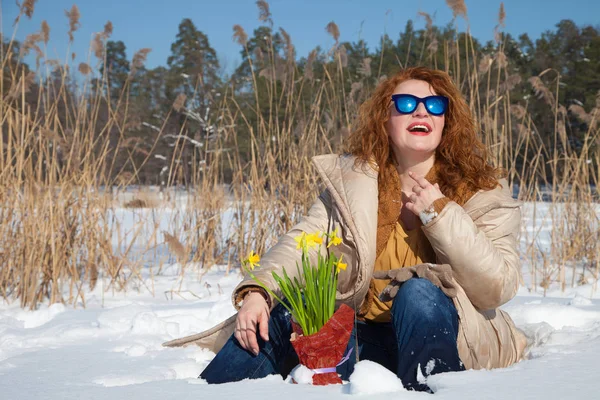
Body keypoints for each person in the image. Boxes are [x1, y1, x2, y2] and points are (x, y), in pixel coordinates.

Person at [183, 67, 527, 391]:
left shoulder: (481, 191)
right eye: (406, 104)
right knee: (295, 309)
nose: (421, 113)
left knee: (419, 293)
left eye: (434, 105)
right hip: (363, 340)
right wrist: (258, 291)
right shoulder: (355, 187)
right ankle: (205, 393)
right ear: (385, 119)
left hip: (450, 338)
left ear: (446, 120)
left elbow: (496, 286)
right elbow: (306, 241)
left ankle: (433, 392)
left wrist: (440, 214)